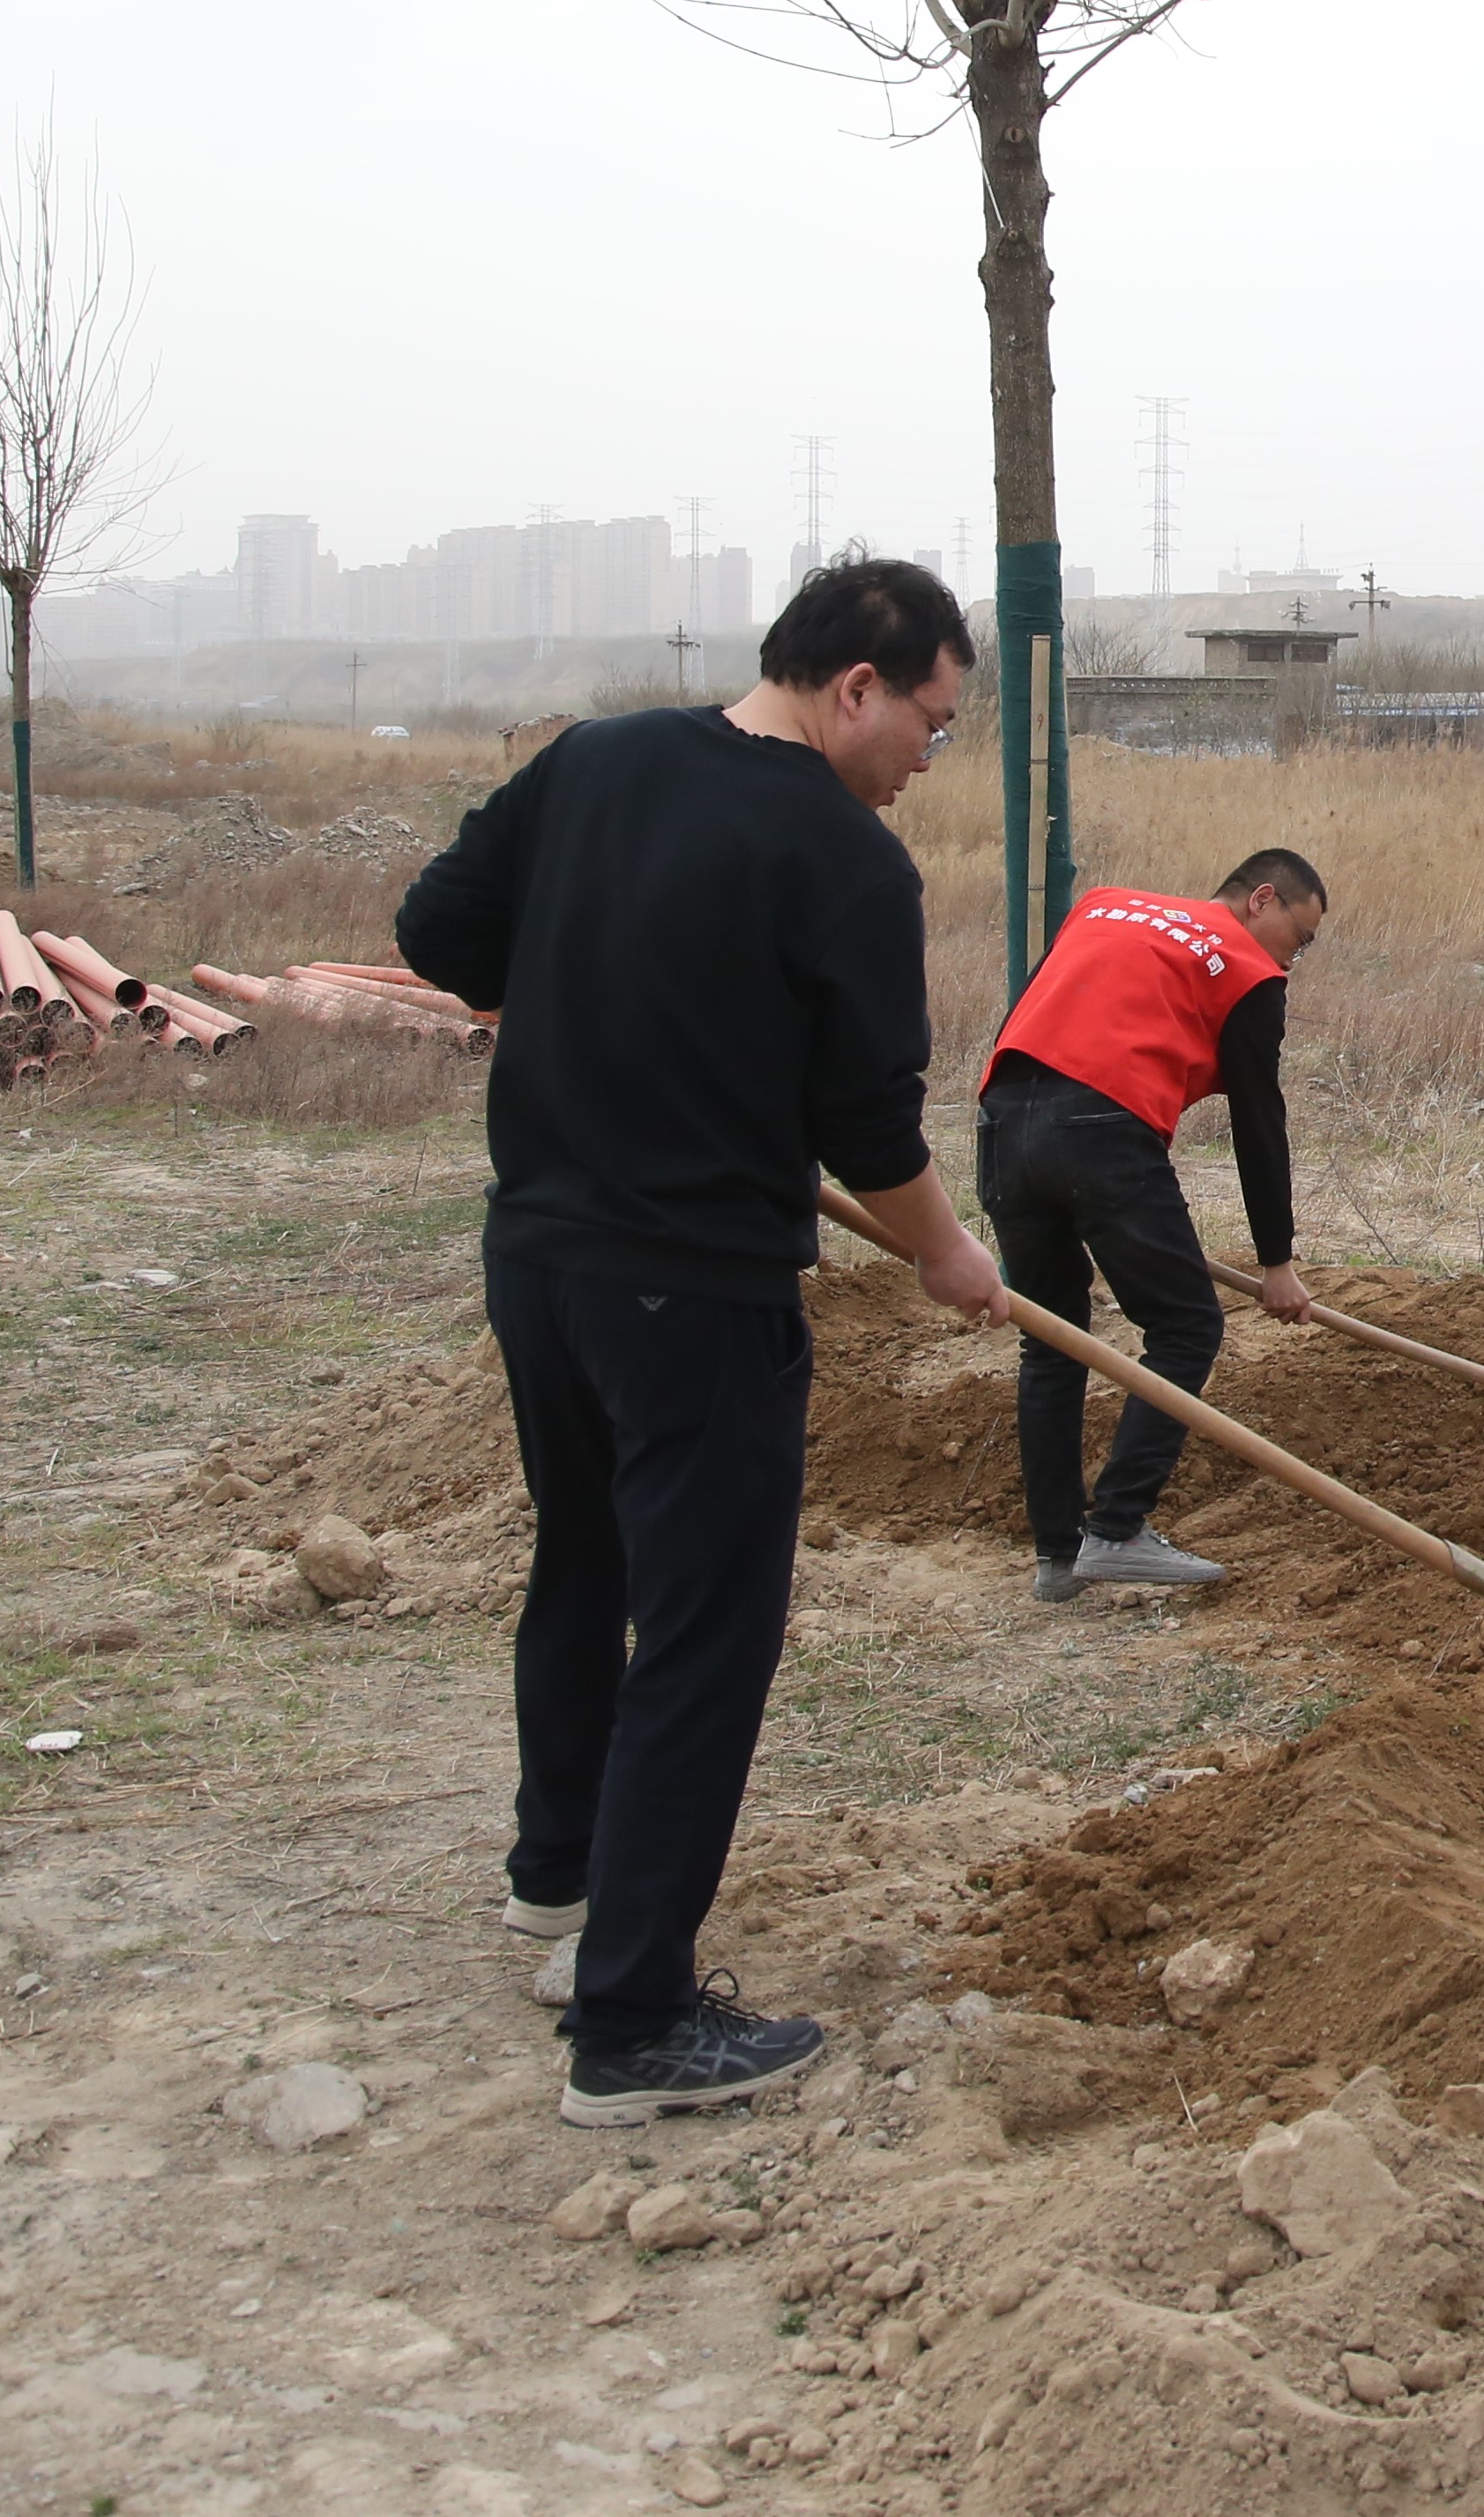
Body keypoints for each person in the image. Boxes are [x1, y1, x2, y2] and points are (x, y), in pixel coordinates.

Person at [397, 558, 1004, 2127]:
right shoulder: (845, 861)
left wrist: (575, 994)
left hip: (539, 1260)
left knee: (584, 1564)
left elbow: (438, 925)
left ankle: (560, 1879)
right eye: (933, 723)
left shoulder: (596, 760)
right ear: (857, 686)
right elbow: (867, 1121)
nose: (929, 759)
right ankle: (635, 2020)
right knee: (706, 1632)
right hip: (693, 1294)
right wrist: (946, 1252)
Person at [981, 848, 1330, 1599]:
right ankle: (1117, 1527)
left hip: (1003, 1120)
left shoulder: (1102, 905)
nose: (1291, 961)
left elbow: (1033, 1010)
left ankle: (1057, 1555)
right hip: (1103, 1129)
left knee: (1052, 1339)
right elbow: (1258, 1119)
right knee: (1186, 1326)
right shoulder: (1248, 970)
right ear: (1261, 899)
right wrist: (1276, 1262)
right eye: (1298, 939)